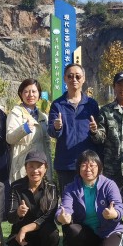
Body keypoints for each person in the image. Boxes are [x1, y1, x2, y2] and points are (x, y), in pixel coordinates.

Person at [57, 150, 123, 246]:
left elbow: (119, 207)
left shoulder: (109, 185)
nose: (88, 169)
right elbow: (65, 208)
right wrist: (62, 216)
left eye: (92, 165)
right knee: (71, 227)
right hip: (88, 233)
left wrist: (114, 213)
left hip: (109, 231)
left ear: (99, 167)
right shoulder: (71, 188)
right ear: (78, 168)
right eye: (83, 165)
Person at [6, 150, 61, 246]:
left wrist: (24, 228)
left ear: (45, 168)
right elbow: (10, 217)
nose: (35, 170)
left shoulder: (51, 187)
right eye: (31, 166)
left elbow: (48, 216)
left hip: (43, 234)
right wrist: (18, 213)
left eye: (39, 166)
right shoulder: (16, 186)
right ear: (25, 168)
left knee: (52, 233)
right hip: (21, 238)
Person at [48, 63, 101, 191]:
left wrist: (95, 130)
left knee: (89, 200)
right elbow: (51, 131)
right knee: (68, 200)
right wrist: (57, 127)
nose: (74, 79)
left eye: (78, 76)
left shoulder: (91, 104)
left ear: (84, 79)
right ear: (64, 79)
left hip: (88, 164)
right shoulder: (57, 105)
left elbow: (100, 135)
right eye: (70, 76)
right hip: (66, 164)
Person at [6, 78, 51, 182]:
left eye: (34, 91)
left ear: (39, 94)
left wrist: (49, 171)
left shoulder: (43, 117)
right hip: (22, 165)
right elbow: (9, 138)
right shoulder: (15, 114)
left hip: (40, 166)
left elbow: (47, 144)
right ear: (21, 94)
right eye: (26, 92)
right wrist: (24, 129)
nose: (30, 95)